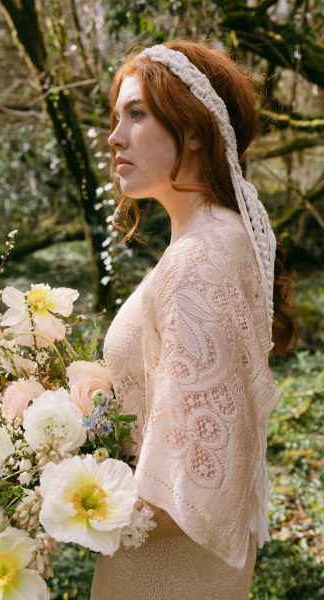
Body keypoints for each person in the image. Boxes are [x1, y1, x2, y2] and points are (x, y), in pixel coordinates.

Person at [90, 40, 296, 600]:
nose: (115, 136)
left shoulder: (201, 256)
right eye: (116, 117)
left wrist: (59, 492)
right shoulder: (208, 238)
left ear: (196, 130)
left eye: (136, 114)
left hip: (167, 576)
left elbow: (192, 478)